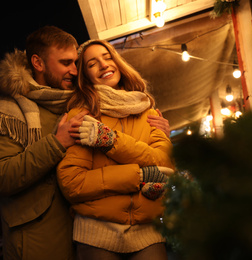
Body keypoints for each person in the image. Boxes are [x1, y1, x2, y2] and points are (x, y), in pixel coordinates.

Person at [0, 26, 171, 259]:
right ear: (38, 63)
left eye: (76, 63)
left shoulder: (79, 103)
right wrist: (56, 143)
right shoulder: (9, 110)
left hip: (86, 229)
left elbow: (160, 160)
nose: (74, 70)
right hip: (41, 237)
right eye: (66, 63)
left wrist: (161, 136)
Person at [56, 39, 174, 260]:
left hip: (147, 230)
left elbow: (164, 163)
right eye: (92, 64)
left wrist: (109, 141)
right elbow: (73, 183)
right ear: (85, 76)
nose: (103, 65)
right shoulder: (82, 117)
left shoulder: (147, 111)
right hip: (96, 234)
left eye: (107, 57)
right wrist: (139, 176)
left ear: (118, 62)